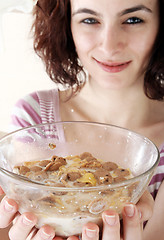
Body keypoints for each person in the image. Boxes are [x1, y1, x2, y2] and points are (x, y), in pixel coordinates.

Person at [0, 0, 164, 239]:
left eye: (133, 20)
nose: (109, 46)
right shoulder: (33, 116)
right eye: (89, 20)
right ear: (67, 26)